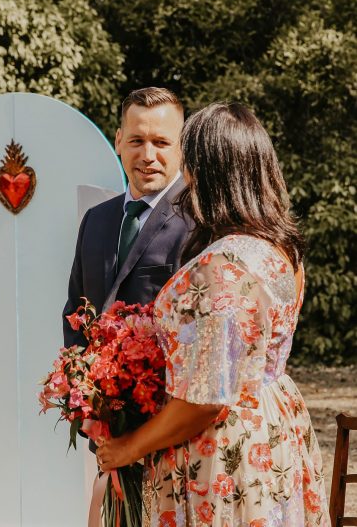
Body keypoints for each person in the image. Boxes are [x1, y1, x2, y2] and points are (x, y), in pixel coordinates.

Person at [96, 103, 330, 527]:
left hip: (221, 455)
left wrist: (128, 447)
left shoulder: (220, 268)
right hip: (272, 431)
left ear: (207, 172)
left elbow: (205, 400)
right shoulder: (283, 252)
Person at [63, 85, 191, 348]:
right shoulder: (94, 220)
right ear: (119, 141)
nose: (147, 156)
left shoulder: (198, 221)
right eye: (137, 141)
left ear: (182, 147)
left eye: (161, 143)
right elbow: (76, 311)